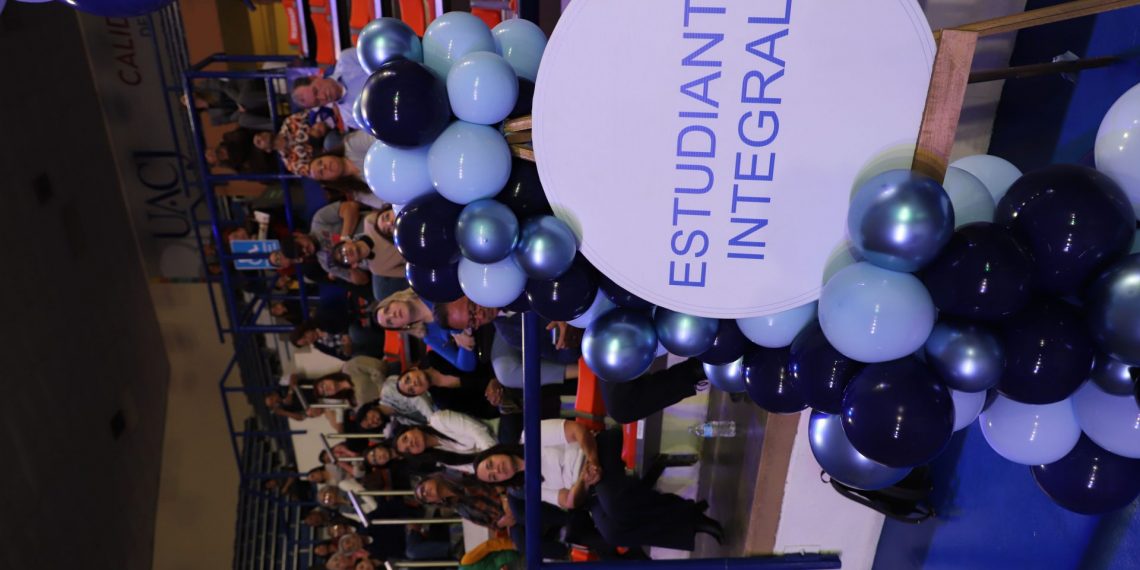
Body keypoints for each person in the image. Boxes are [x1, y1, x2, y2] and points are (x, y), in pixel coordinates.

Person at [472, 419, 724, 551]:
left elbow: (577, 432)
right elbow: (568, 501)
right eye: (493, 477)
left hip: (598, 450)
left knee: (616, 505)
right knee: (612, 533)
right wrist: (584, 481)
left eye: (491, 464)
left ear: (496, 452)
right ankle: (690, 526)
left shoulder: (530, 436)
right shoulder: (527, 488)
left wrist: (592, 463)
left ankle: (691, 516)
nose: (497, 471)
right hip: (588, 487)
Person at [372, 289, 478, 372]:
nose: (392, 315)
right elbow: (465, 366)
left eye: (388, 309)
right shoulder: (428, 336)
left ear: (395, 299)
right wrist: (465, 343)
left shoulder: (424, 288)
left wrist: (455, 331)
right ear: (401, 327)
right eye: (390, 322)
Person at [330, 206, 407, 302]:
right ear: (353, 265)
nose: (345, 253)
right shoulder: (377, 269)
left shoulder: (369, 222)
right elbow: (408, 271)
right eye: (344, 259)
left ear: (347, 240)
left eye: (341, 250)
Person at [395, 351, 500, 420]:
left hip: (494, 362)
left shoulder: (434, 356)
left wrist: (493, 377)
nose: (413, 383)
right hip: (499, 392)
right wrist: (494, 399)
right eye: (412, 390)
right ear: (420, 393)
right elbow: (483, 411)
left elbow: (478, 351)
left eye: (408, 379)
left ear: (413, 369)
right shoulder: (442, 401)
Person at [291, 47, 369, 131]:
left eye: (316, 91)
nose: (323, 97)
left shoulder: (346, 60)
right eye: (318, 102)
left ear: (314, 77)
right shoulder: (350, 117)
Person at [392, 411, 495, 473]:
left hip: (494, 432)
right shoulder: (443, 459)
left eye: (405, 438)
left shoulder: (438, 420)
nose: (410, 444)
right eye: (408, 449)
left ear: (412, 428)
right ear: (415, 454)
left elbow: (478, 430)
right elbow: (474, 468)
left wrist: (493, 456)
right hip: (495, 460)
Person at [307, 131, 387, 208]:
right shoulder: (358, 193)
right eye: (321, 172)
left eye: (320, 162)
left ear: (326, 155)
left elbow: (381, 140)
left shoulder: (351, 144)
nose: (324, 167)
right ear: (329, 181)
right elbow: (385, 200)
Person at [415, 473, 513, 530]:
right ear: (433, 502)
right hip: (507, 516)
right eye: (424, 498)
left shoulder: (459, 475)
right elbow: (492, 525)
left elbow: (495, 478)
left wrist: (504, 497)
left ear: (430, 479)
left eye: (423, 489)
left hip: (509, 492)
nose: (425, 493)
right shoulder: (461, 510)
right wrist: (502, 522)